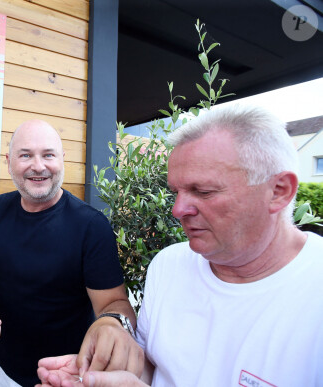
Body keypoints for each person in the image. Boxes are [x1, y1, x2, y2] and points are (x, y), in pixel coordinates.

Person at [35, 104, 323, 387]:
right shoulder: (168, 264)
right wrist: (105, 378)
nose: (178, 209)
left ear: (279, 191)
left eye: (203, 191)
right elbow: (152, 368)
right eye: (176, 192)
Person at [0, 119, 144, 386]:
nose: (38, 166)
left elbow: (115, 303)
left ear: (62, 159)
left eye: (48, 155)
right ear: (9, 161)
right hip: (2, 368)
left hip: (65, 375)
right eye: (26, 155)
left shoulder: (91, 226)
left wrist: (113, 324)